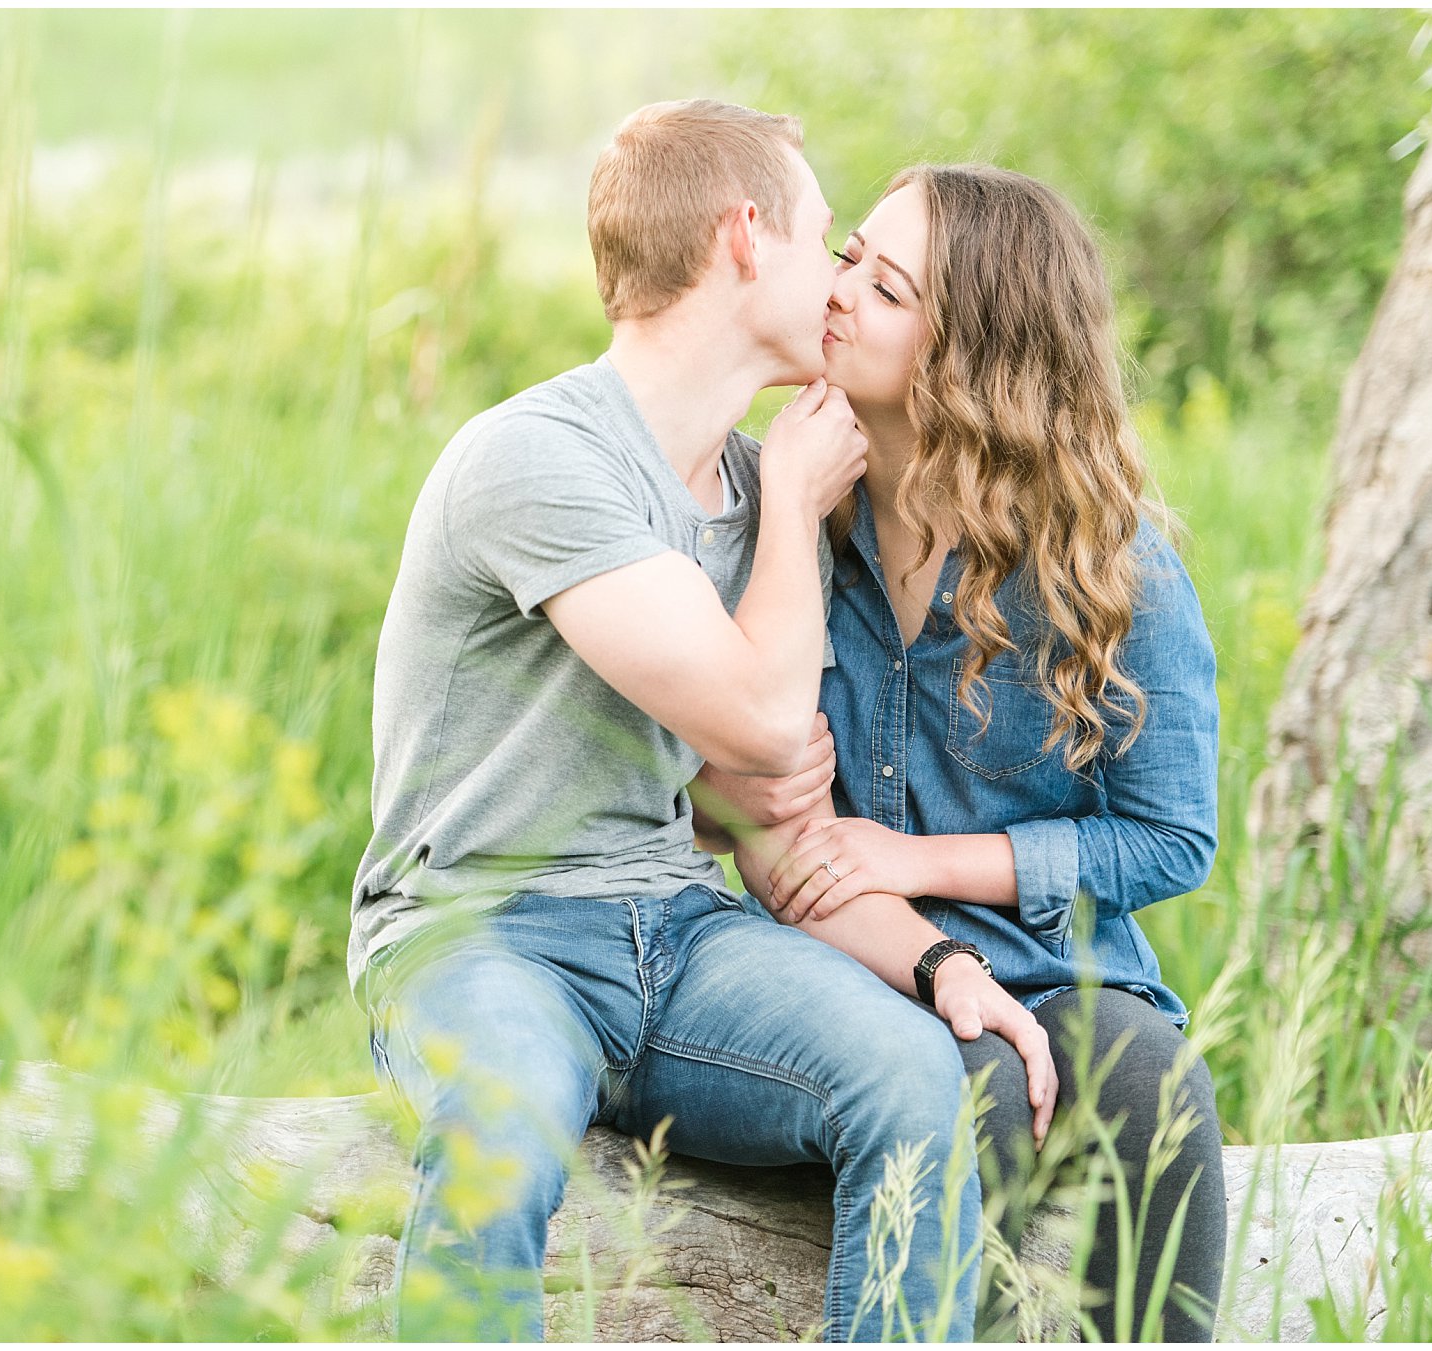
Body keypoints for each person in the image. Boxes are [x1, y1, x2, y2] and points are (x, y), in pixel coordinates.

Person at [352, 103, 1043, 1342]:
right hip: (478, 932)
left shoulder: (745, 487)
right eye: (824, 237)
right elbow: (765, 725)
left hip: (673, 932)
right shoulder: (538, 458)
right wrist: (787, 506)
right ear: (742, 236)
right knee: (501, 1110)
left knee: (906, 1073)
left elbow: (762, 820)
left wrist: (943, 964)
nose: (841, 279)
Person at [700, 164, 1226, 1340]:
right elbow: (713, 785)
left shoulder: (1105, 563)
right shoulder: (778, 515)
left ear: (969, 361)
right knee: (966, 1093)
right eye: (850, 261)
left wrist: (919, 857)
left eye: (884, 290)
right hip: (856, 968)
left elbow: (1170, 836)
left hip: (1059, 964)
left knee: (1150, 1084)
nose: (837, 294)